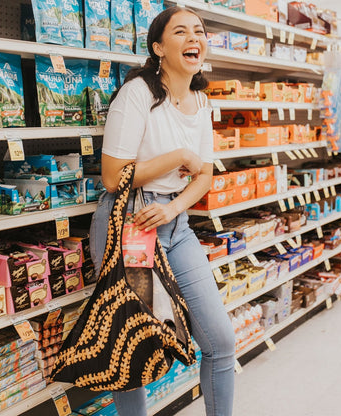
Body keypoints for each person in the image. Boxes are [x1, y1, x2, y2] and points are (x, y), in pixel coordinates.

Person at [93, 6, 235, 416]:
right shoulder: (138, 93)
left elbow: (204, 177)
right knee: (133, 348)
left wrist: (173, 207)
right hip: (130, 224)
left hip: (175, 222)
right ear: (158, 47)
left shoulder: (202, 101)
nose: (194, 37)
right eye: (181, 32)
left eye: (199, 30)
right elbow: (112, 176)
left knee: (220, 341)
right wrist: (177, 156)